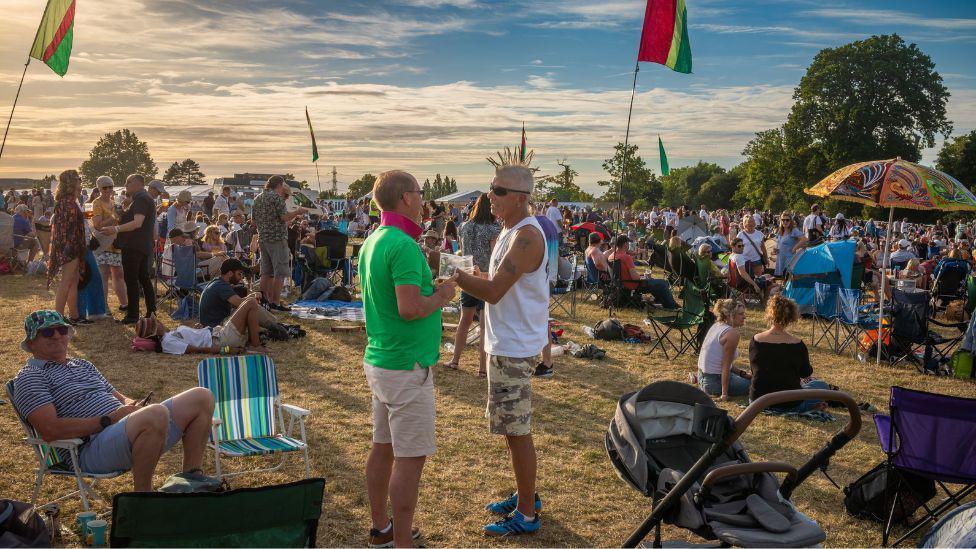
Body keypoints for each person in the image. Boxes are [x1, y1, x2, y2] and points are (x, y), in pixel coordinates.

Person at [359, 170, 457, 548]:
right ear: (404, 199)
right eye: (419, 193)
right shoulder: (401, 244)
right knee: (410, 459)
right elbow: (410, 308)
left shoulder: (375, 239)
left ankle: (382, 527)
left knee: (383, 447)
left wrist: (431, 288)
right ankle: (401, 541)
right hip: (405, 364)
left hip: (383, 359)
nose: (423, 199)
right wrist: (443, 296)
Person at [12, 310, 216, 491]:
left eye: (62, 330)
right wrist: (108, 419)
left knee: (201, 397)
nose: (57, 335)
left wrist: (133, 406)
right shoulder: (31, 376)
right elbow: (51, 430)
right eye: (47, 332)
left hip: (124, 430)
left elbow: (118, 397)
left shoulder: (82, 365)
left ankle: (191, 481)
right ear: (31, 343)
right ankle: (143, 498)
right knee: (156, 413)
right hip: (88, 449)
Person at [453, 165, 550, 536]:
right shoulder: (508, 231)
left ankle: (526, 514)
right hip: (505, 342)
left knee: (517, 430)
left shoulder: (526, 237)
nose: (490, 195)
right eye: (491, 188)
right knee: (512, 430)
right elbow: (494, 284)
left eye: (498, 190)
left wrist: (455, 274)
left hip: (514, 346)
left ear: (521, 198)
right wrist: (473, 274)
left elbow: (494, 292)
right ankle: (526, 495)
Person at [444, 194, 500, 376]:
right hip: (484, 277)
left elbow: (462, 250)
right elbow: (494, 255)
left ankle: (455, 359)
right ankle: (483, 368)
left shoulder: (464, 227)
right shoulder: (493, 229)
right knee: (484, 325)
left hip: (467, 276)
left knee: (464, 320)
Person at [749, 295, 830, 412]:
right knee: (822, 386)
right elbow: (806, 374)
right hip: (790, 403)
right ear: (792, 317)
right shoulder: (797, 344)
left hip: (758, 401)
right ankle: (809, 407)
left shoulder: (756, 340)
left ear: (769, 314)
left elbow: (755, 370)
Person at [99, 174, 156, 324]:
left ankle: (132, 315)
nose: (125, 185)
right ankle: (151, 311)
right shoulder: (143, 198)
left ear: (137, 183)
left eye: (128, 182)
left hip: (134, 245)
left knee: (131, 281)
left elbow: (137, 222)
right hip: (142, 245)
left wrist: (115, 228)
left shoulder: (141, 198)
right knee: (143, 278)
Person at [252, 176, 306, 311]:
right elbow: (284, 217)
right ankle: (275, 302)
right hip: (277, 238)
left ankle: (264, 301)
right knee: (280, 272)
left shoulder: (258, 198)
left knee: (266, 272)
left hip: (263, 238)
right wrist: (297, 212)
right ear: (280, 185)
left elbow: (253, 220)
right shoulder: (276, 198)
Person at [198, 258, 271, 353]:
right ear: (230, 273)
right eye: (239, 274)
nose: (241, 277)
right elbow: (241, 303)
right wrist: (252, 295)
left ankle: (275, 325)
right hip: (217, 329)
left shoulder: (217, 283)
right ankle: (262, 339)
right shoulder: (222, 286)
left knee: (249, 304)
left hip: (213, 326)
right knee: (251, 303)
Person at [48, 170, 87, 324]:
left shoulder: (69, 201)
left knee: (73, 280)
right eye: (78, 179)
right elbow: (66, 230)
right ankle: (58, 317)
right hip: (69, 248)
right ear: (72, 182)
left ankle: (75, 316)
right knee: (66, 281)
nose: (80, 182)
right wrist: (71, 249)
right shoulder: (67, 203)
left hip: (71, 246)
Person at [697, 299, 751, 399]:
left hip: (702, 378)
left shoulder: (717, 325)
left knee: (749, 379)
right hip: (714, 384)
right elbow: (725, 366)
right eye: (740, 314)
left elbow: (721, 362)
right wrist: (724, 394)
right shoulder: (732, 334)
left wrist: (742, 374)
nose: (744, 317)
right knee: (757, 384)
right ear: (729, 315)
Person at [607, 234, 678, 309]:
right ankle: (671, 305)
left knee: (655, 282)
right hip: (631, 284)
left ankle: (662, 302)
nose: (629, 245)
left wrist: (642, 276)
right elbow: (635, 278)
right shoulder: (626, 257)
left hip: (620, 285)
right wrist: (644, 277)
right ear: (625, 244)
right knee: (663, 283)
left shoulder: (611, 256)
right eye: (628, 243)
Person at [91, 176, 127, 314]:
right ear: (99, 189)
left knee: (118, 274)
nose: (108, 190)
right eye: (104, 187)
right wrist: (113, 217)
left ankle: (124, 304)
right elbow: (97, 225)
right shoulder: (97, 203)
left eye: (110, 187)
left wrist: (121, 214)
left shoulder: (114, 202)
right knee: (104, 275)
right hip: (103, 244)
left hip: (115, 242)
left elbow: (119, 222)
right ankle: (103, 306)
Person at [774, 213, 806, 277]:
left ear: (790, 221)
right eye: (783, 220)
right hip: (780, 260)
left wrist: (795, 248)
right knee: (782, 280)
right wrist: (776, 249)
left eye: (787, 220)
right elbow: (779, 243)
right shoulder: (780, 231)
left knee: (788, 279)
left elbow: (804, 239)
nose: (785, 221)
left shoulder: (793, 230)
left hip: (789, 261)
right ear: (781, 221)